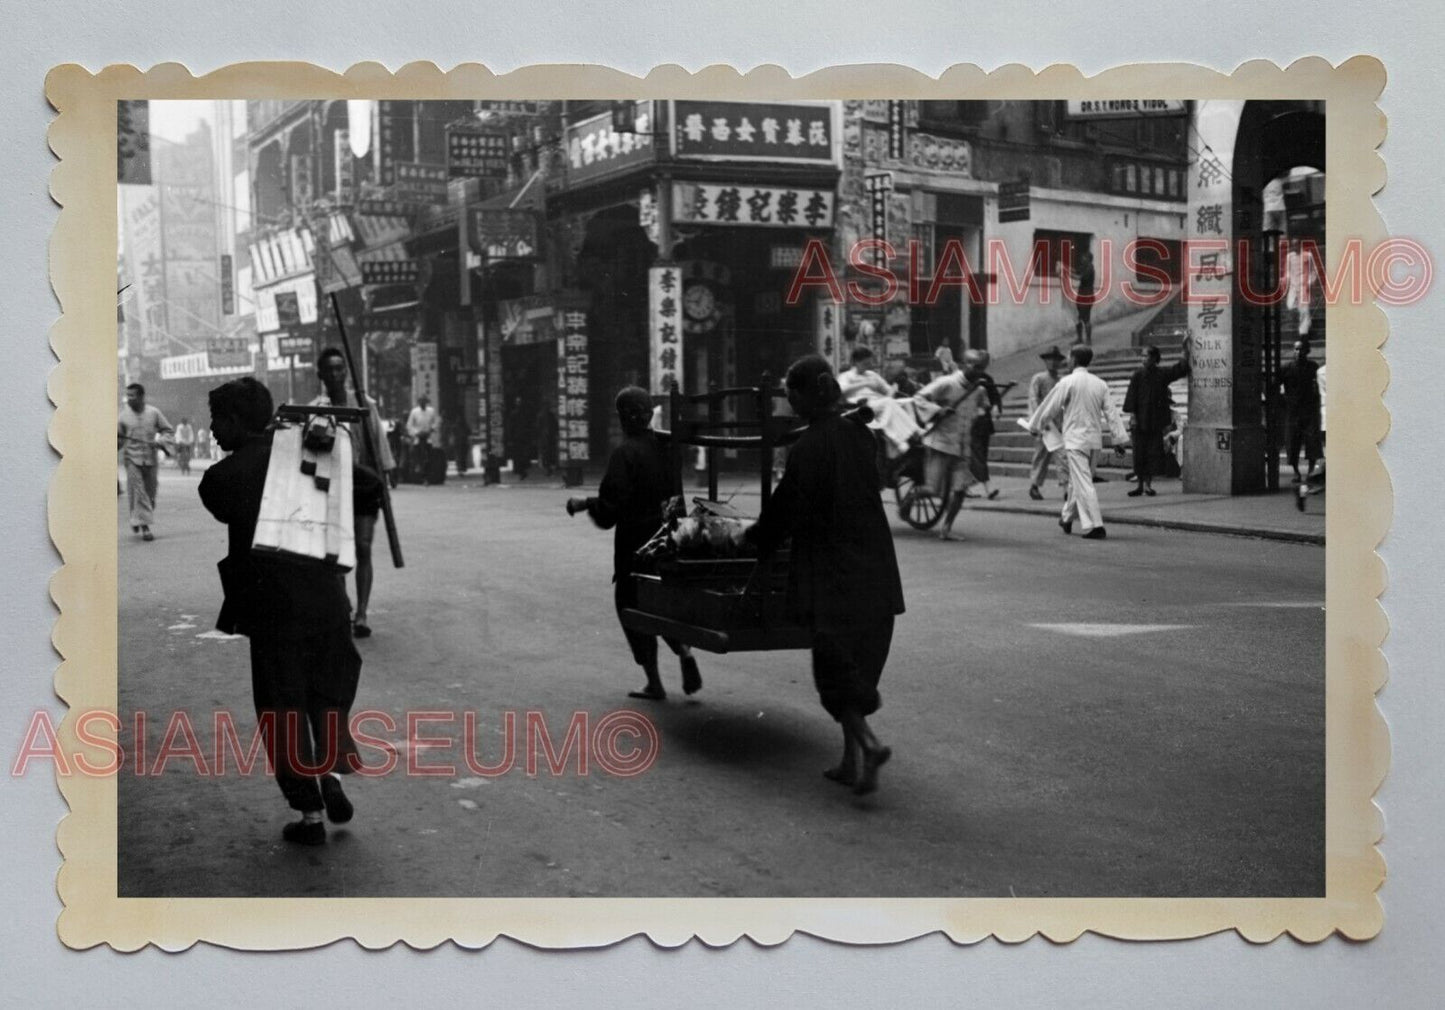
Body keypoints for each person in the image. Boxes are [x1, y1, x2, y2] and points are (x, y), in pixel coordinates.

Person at [198, 377, 362, 846]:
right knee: (326, 698)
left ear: (235, 421)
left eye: (216, 421)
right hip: (329, 603)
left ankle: (310, 813)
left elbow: (216, 498)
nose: (211, 431)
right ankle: (331, 775)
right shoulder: (313, 453)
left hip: (273, 613)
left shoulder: (225, 477)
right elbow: (366, 488)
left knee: (281, 708)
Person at [745, 356, 904, 796]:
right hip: (875, 569)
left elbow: (785, 511)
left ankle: (869, 748)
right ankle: (849, 760)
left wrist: (752, 539)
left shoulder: (809, 448)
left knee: (834, 675)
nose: (789, 402)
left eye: (790, 394)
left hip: (834, 575)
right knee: (856, 671)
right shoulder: (859, 435)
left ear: (805, 394)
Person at [566, 387, 701, 701]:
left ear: (624, 419)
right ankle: (684, 652)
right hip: (669, 537)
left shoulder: (625, 453)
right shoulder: (667, 448)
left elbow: (611, 507)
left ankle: (654, 682)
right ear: (651, 413)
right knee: (663, 605)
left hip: (636, 546)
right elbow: (672, 498)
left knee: (631, 606)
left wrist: (587, 505)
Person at [311, 348, 395, 639]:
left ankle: (361, 613)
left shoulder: (365, 404)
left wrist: (385, 487)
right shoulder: (316, 410)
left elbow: (380, 450)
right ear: (320, 375)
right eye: (329, 370)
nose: (335, 374)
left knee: (363, 547)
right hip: (332, 486)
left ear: (346, 372)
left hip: (364, 485)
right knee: (335, 553)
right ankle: (343, 606)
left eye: (340, 369)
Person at [1027, 344, 1129, 540]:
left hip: (1075, 440)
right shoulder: (1099, 383)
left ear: (1073, 359)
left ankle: (1093, 525)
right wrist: (1118, 438)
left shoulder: (1068, 382)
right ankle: (1066, 518)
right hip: (1094, 441)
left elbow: (1050, 407)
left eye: (1069, 357)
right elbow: (1112, 414)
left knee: (1082, 483)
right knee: (1080, 481)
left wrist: (1035, 426)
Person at [913, 357, 986, 541]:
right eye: (975, 366)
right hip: (940, 444)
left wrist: (983, 412)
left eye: (982, 368)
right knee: (931, 489)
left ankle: (946, 528)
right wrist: (937, 409)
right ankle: (909, 501)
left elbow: (981, 409)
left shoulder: (977, 390)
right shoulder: (947, 383)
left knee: (960, 490)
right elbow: (919, 398)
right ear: (964, 364)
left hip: (962, 447)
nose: (978, 371)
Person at [1122, 339, 1192, 497]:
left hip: (1154, 421)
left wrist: (1185, 352)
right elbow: (1131, 398)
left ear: (1154, 358)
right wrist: (1133, 417)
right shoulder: (1137, 376)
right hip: (1139, 421)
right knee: (1139, 453)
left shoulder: (1162, 374)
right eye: (1142, 356)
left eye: (1146, 356)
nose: (1143, 359)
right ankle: (1139, 485)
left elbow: (1179, 370)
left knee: (1152, 453)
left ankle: (1148, 485)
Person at [838, 346, 925, 455]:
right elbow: (841, 390)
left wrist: (891, 391)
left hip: (879, 402)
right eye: (865, 364)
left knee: (908, 401)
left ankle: (912, 435)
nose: (868, 367)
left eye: (869, 363)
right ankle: (902, 437)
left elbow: (888, 389)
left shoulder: (872, 375)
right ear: (855, 362)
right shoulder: (846, 376)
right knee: (888, 403)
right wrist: (864, 383)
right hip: (861, 406)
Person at [117, 383, 174, 542]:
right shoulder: (122, 417)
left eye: (132, 395)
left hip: (151, 459)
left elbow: (168, 431)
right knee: (138, 492)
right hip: (132, 459)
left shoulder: (154, 413)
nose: (129, 399)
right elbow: (118, 439)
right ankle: (145, 528)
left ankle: (136, 518)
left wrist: (161, 441)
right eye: (127, 395)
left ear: (141, 397)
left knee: (150, 495)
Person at [962, 349, 1004, 500]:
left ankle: (964, 486)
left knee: (981, 456)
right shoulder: (964, 379)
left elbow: (994, 396)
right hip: (970, 423)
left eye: (983, 364)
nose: (980, 368)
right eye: (978, 364)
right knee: (977, 455)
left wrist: (996, 407)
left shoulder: (987, 378)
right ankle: (988, 488)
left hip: (984, 423)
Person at [1280, 338, 1323, 483]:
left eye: (1301, 349)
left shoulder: (1313, 367)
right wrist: (1284, 401)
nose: (1298, 352)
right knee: (1292, 442)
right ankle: (1296, 472)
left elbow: (1318, 387)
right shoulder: (1286, 368)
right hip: (1292, 411)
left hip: (1309, 410)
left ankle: (1311, 471)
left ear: (1307, 351)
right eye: (1296, 349)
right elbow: (1276, 386)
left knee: (1312, 442)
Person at [1026, 346, 1067, 500]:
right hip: (1045, 424)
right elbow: (1033, 399)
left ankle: (1065, 487)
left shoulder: (1061, 381)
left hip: (1058, 422)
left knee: (1062, 457)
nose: (1053, 363)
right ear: (1045, 361)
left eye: (1056, 360)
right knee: (1041, 456)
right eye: (1050, 360)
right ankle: (1034, 485)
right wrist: (1037, 421)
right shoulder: (1039, 378)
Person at [1062, 245, 1096, 344]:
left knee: (1085, 318)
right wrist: (1066, 268)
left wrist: (1067, 273)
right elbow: (1076, 271)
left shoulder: (1090, 268)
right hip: (1082, 295)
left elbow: (1078, 277)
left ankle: (1088, 340)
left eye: (1083, 258)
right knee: (1079, 317)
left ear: (1088, 259)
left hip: (1087, 295)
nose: (1081, 259)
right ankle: (1080, 339)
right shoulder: (1085, 267)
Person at [405, 394, 438, 483]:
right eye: (421, 402)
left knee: (429, 457)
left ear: (426, 403)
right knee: (417, 456)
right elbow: (409, 425)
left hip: (428, 437)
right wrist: (416, 433)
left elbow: (435, 422)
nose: (423, 404)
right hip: (418, 438)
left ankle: (427, 475)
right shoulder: (414, 412)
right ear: (419, 403)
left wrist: (431, 429)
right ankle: (418, 472)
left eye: (424, 402)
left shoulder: (431, 411)